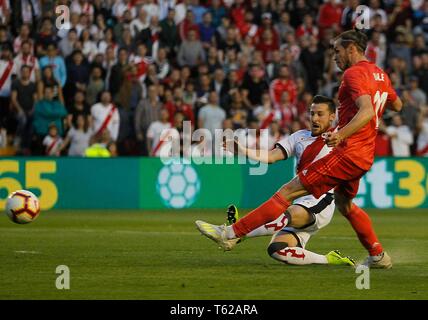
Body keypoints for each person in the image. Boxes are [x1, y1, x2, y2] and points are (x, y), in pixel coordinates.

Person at [196, 29, 403, 269]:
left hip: (348, 151)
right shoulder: (380, 74)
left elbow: (366, 111)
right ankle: (377, 255)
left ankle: (231, 233)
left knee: (288, 191)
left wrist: (340, 134)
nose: (334, 57)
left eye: (337, 51)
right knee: (345, 204)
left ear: (351, 49)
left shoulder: (353, 73)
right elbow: (397, 104)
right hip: (365, 154)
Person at [197, 96, 354, 266]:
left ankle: (229, 233)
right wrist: (243, 150)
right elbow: (271, 156)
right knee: (277, 250)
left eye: (320, 114)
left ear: (332, 116)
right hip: (300, 199)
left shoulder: (339, 137)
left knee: (282, 215)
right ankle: (329, 259)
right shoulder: (299, 137)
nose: (314, 118)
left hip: (321, 201)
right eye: (312, 113)